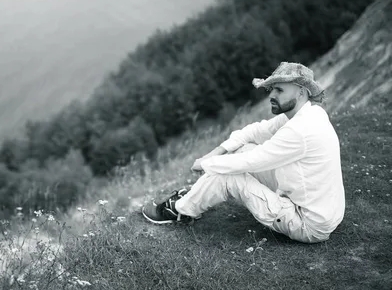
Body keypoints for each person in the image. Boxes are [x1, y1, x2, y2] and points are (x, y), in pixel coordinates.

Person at [142, 62, 345, 243]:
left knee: (230, 176)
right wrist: (216, 152)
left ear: (301, 92)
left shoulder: (300, 130)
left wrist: (205, 164)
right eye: (271, 89)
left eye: (279, 90)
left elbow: (253, 161)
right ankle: (194, 196)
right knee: (244, 148)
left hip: (308, 223)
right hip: (322, 212)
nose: (272, 95)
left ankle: (179, 211)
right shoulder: (308, 114)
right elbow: (255, 131)